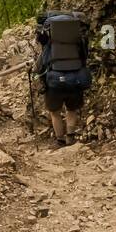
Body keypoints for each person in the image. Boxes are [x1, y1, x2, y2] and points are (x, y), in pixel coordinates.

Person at [33, 10, 91, 145]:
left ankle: (60, 140)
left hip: (54, 78)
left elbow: (41, 61)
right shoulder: (77, 40)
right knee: (71, 109)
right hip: (76, 77)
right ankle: (70, 136)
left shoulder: (48, 41)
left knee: (55, 112)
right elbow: (84, 57)